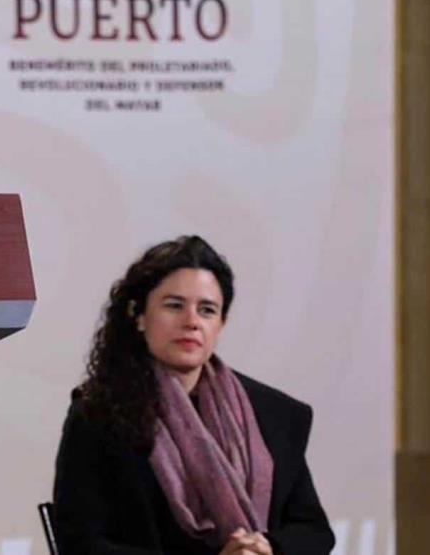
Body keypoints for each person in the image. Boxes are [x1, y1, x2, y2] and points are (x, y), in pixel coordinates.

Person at [52, 236, 335, 555]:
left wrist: (266, 548)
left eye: (207, 310)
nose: (191, 322)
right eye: (174, 306)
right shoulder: (98, 413)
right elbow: (81, 544)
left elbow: (314, 531)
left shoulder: (275, 414)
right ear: (139, 316)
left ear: (221, 324)